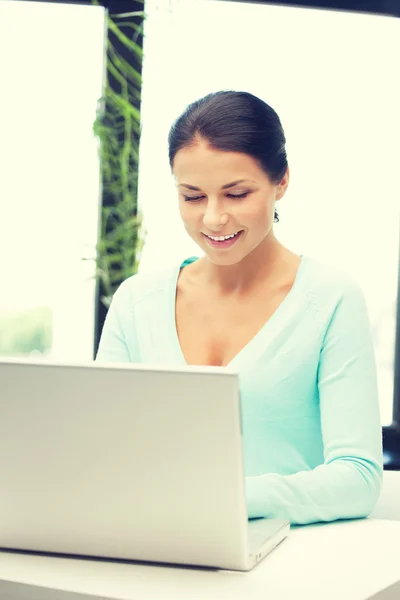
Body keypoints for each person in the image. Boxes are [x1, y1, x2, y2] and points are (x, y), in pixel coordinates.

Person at [96, 90, 383, 525]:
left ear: (281, 181)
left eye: (236, 194)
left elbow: (358, 478)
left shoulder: (330, 299)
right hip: (154, 547)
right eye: (192, 197)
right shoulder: (136, 303)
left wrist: (226, 497)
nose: (213, 218)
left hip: (287, 565)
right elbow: (99, 452)